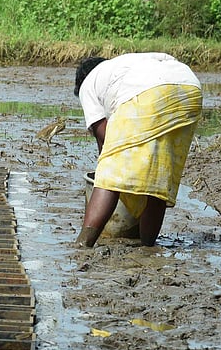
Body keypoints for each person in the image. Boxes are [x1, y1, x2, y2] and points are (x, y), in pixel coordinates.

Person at [72, 52, 203, 248]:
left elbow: (107, 140)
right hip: (190, 89)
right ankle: (147, 246)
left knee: (110, 175)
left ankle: (84, 244)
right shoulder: (127, 67)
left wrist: (105, 171)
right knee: (160, 173)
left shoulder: (88, 84)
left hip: (150, 92)